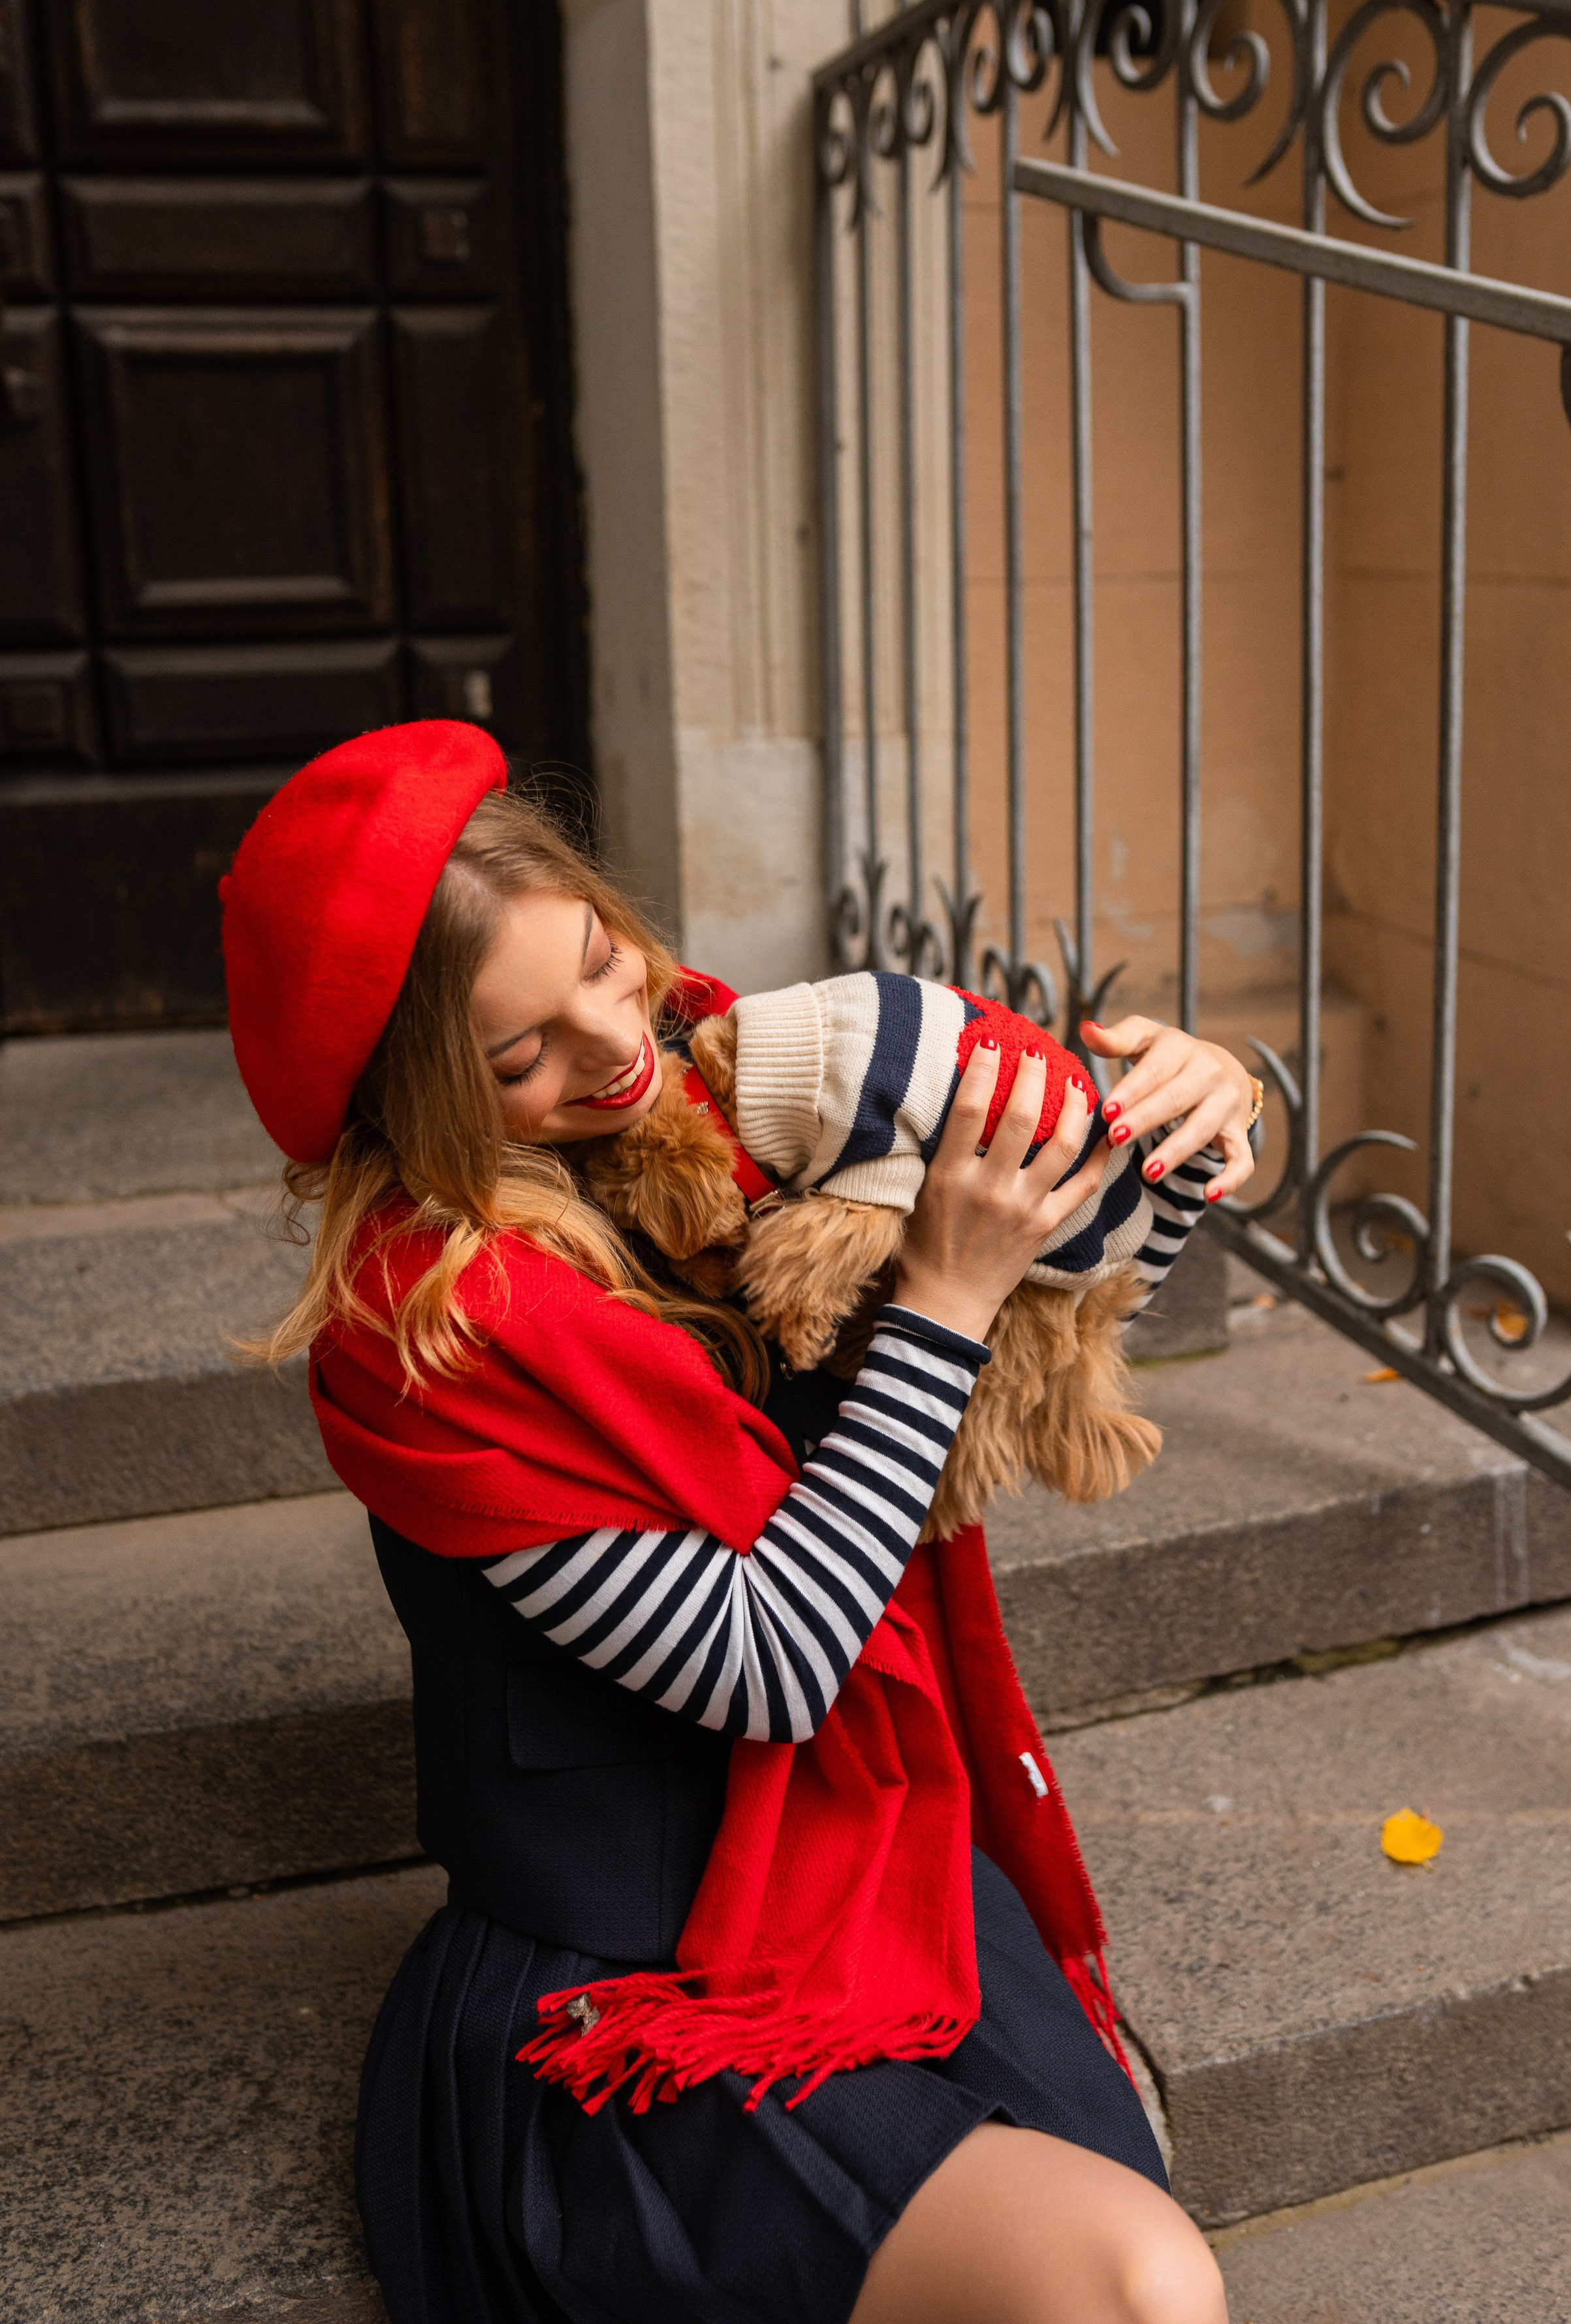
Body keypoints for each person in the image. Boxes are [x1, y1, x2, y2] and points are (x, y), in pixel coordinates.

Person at [225, 722, 1257, 2324]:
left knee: (1120, 2255)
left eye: (602, 963)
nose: (612, 1044)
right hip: (646, 1972)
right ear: (425, 1100)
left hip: (858, 1855)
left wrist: (1192, 1119)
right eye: (519, 1059)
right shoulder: (426, 1339)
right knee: (1128, 2285)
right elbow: (766, 1665)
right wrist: (941, 1298)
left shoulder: (725, 1105)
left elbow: (1069, 1283)